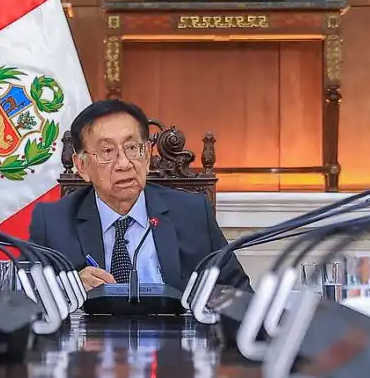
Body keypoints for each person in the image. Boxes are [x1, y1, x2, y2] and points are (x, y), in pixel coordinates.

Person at [27, 100, 246, 292]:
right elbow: (25, 296)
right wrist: (68, 288)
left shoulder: (192, 213)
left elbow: (237, 293)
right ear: (82, 166)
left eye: (132, 148)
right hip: (91, 338)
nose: (124, 164)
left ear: (147, 156)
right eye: (107, 152)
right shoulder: (53, 222)